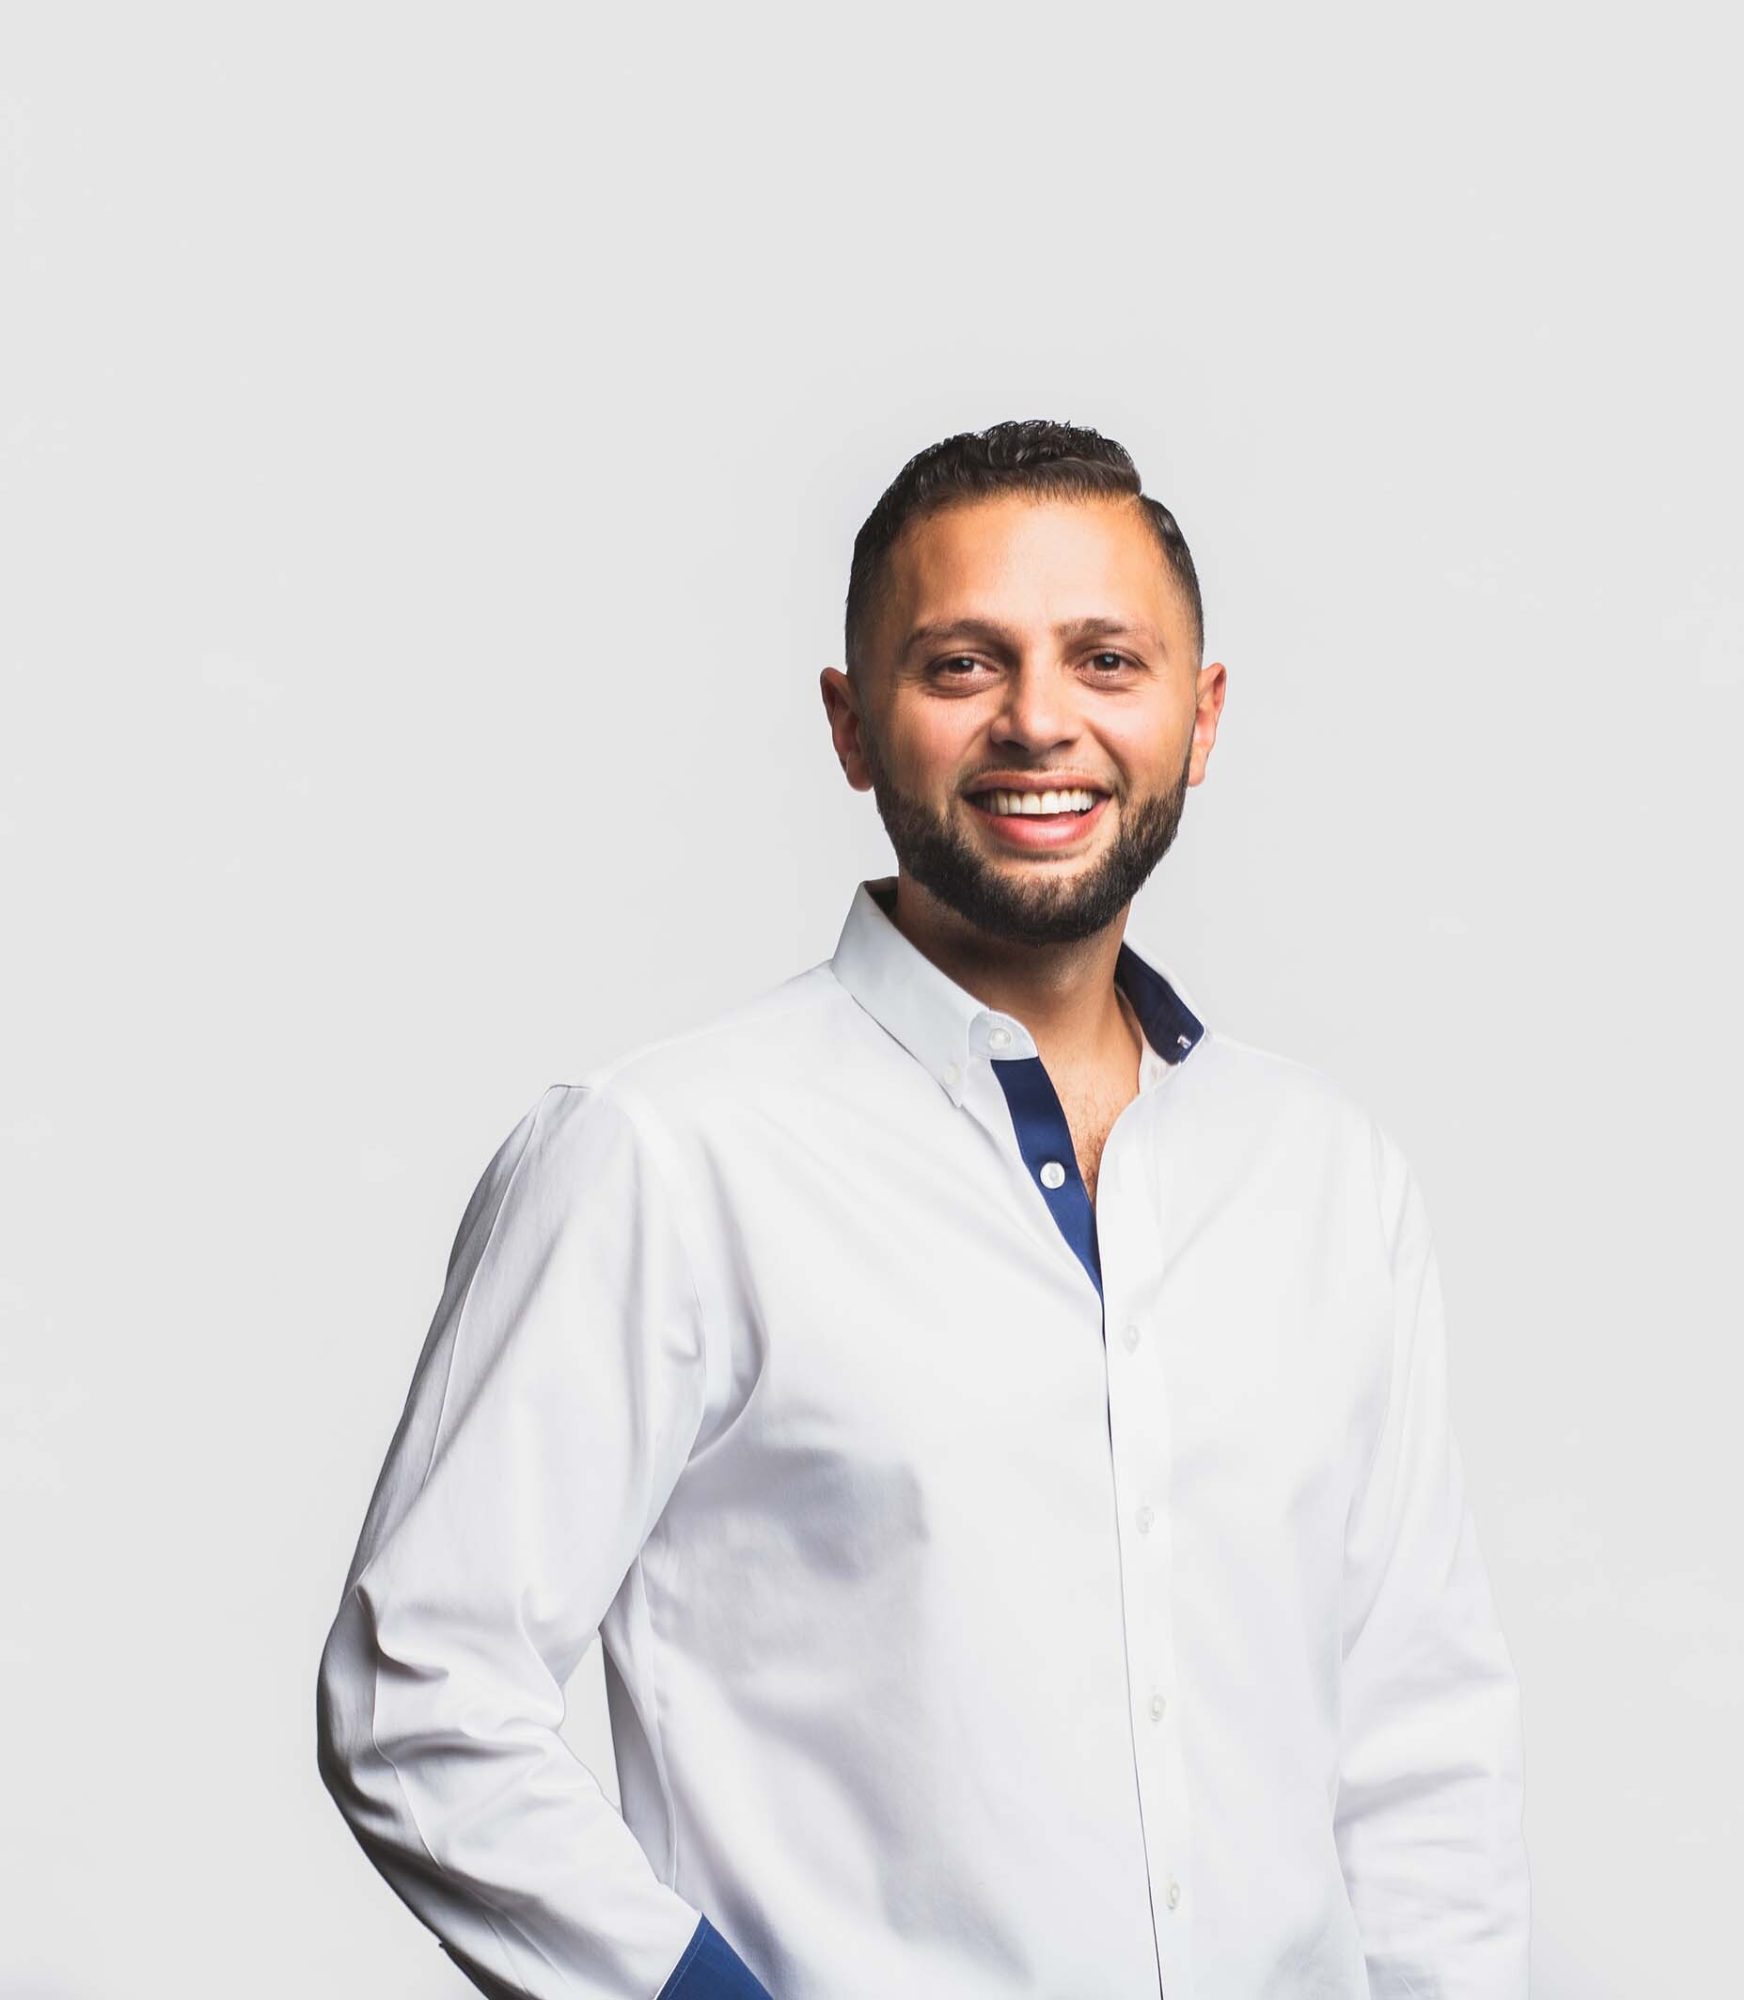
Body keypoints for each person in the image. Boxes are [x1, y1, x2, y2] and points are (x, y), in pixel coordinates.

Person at [315, 418, 1531, 1999]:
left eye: (1108, 661)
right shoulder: (667, 1157)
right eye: (963, 665)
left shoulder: (1328, 1176)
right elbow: (421, 1701)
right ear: (851, 723)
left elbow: (1417, 1736)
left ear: (1202, 714)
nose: (1042, 723)